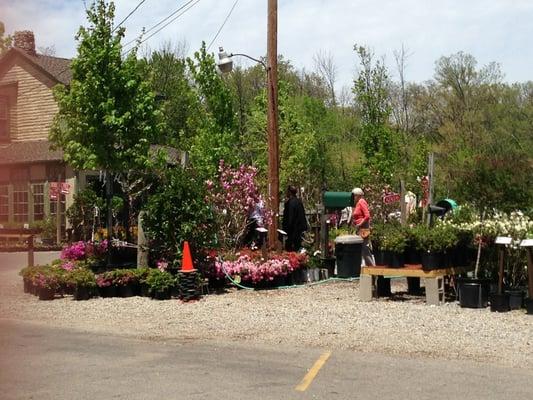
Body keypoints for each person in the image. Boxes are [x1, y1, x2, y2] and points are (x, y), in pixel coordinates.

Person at [352, 187, 375, 266]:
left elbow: (367, 216)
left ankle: (372, 268)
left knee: (365, 249)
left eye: (354, 195)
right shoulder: (357, 203)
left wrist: (360, 223)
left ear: (358, 195)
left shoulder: (362, 202)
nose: (353, 197)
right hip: (359, 228)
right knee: (362, 249)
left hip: (363, 227)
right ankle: (367, 267)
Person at [282, 185, 308, 251]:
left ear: (289, 192)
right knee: (297, 247)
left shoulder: (290, 203)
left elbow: (290, 217)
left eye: (287, 191)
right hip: (299, 230)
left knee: (290, 249)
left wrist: (286, 229)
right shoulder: (299, 202)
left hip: (292, 230)